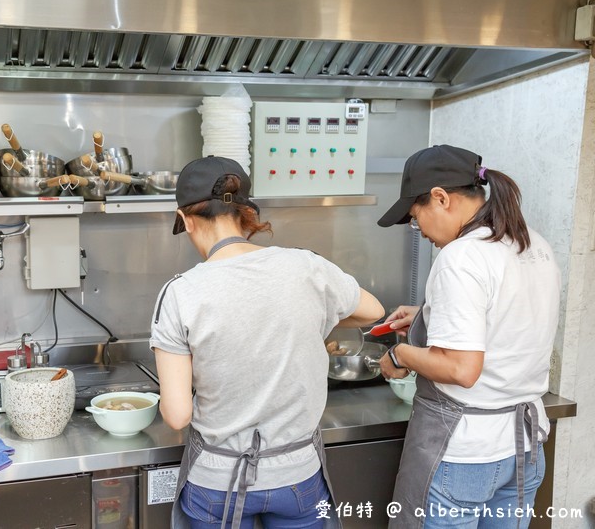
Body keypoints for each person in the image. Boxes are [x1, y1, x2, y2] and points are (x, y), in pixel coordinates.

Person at [149, 156, 385, 528]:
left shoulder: (180, 293)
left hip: (217, 483)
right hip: (298, 476)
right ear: (246, 215)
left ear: (186, 220)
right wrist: (313, 312)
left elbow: (177, 415)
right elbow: (372, 310)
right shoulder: (307, 266)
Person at [376, 145, 560, 529]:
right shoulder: (532, 244)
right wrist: (428, 315)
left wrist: (402, 357)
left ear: (441, 198)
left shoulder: (461, 257)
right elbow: (506, 319)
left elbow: (462, 368)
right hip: (524, 450)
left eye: (415, 217)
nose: (420, 230)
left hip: (465, 455)